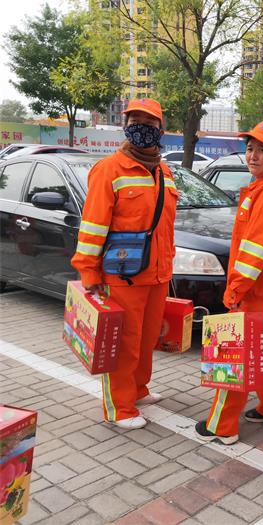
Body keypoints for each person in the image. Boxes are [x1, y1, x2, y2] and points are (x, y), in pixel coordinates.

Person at [71, 98, 178, 429]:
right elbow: (92, 227)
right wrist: (89, 271)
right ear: (125, 125)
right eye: (136, 121)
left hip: (157, 275)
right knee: (124, 344)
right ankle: (119, 406)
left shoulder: (164, 171)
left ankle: (138, 389)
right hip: (123, 276)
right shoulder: (109, 170)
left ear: (160, 129)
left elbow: (166, 226)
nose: (142, 128)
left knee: (146, 341)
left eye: (150, 123)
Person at [195, 119, 263, 444]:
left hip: (260, 293)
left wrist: (235, 290)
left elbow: (255, 251)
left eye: (262, 150)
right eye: (250, 148)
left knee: (236, 354)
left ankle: (222, 425)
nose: (253, 156)